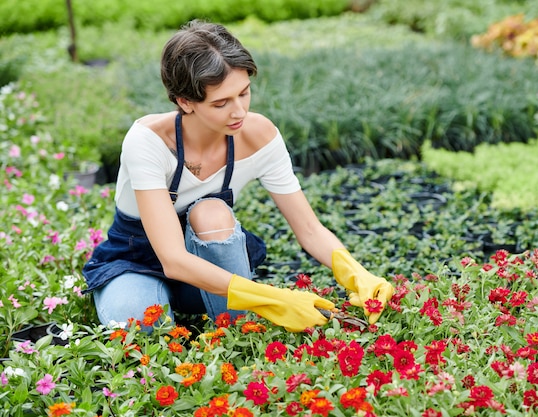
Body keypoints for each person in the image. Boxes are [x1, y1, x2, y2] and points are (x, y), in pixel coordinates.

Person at [82, 20, 393, 332]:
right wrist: (272, 298)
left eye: (244, 93)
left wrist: (356, 273)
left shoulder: (259, 136)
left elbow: (310, 229)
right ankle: (154, 299)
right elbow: (173, 259)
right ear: (185, 101)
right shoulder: (148, 142)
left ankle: (234, 330)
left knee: (211, 212)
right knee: (139, 327)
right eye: (221, 103)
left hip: (207, 269)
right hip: (138, 264)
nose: (239, 112)